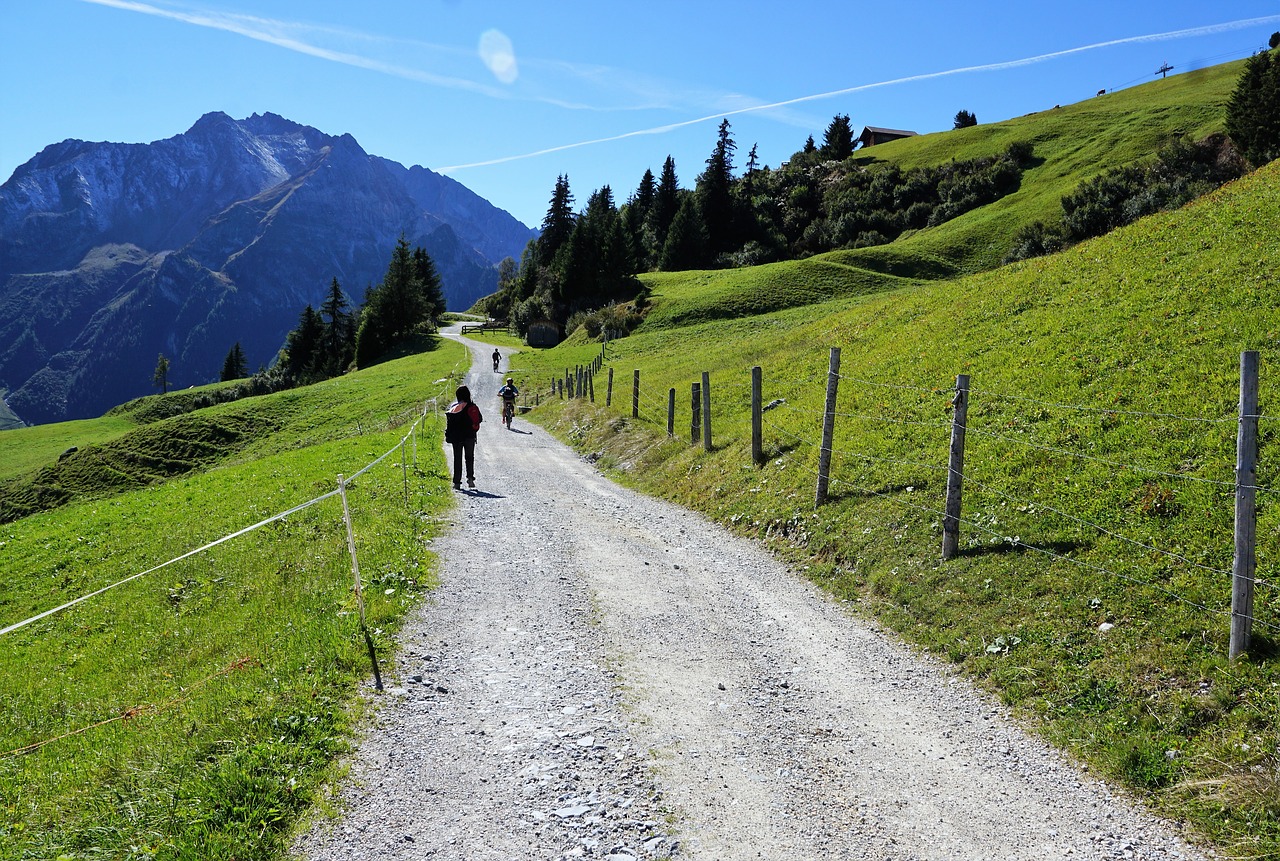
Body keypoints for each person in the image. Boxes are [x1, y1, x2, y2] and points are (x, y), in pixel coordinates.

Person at [444, 385, 482, 489]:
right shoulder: (472, 406)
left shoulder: (454, 407)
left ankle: (457, 482)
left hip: (457, 437)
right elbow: (480, 419)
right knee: (469, 457)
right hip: (470, 436)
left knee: (457, 458)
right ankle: (470, 479)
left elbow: (450, 422)